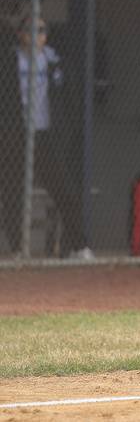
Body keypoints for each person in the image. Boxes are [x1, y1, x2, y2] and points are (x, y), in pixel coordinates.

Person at [0, 15, 90, 258]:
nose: (35, 35)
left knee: (63, 189)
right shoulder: (9, 60)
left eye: (40, 30)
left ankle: (79, 247)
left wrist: (66, 130)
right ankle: (20, 249)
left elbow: (69, 99)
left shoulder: (53, 62)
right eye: (29, 29)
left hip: (46, 135)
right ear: (20, 34)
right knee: (13, 191)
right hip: (16, 134)